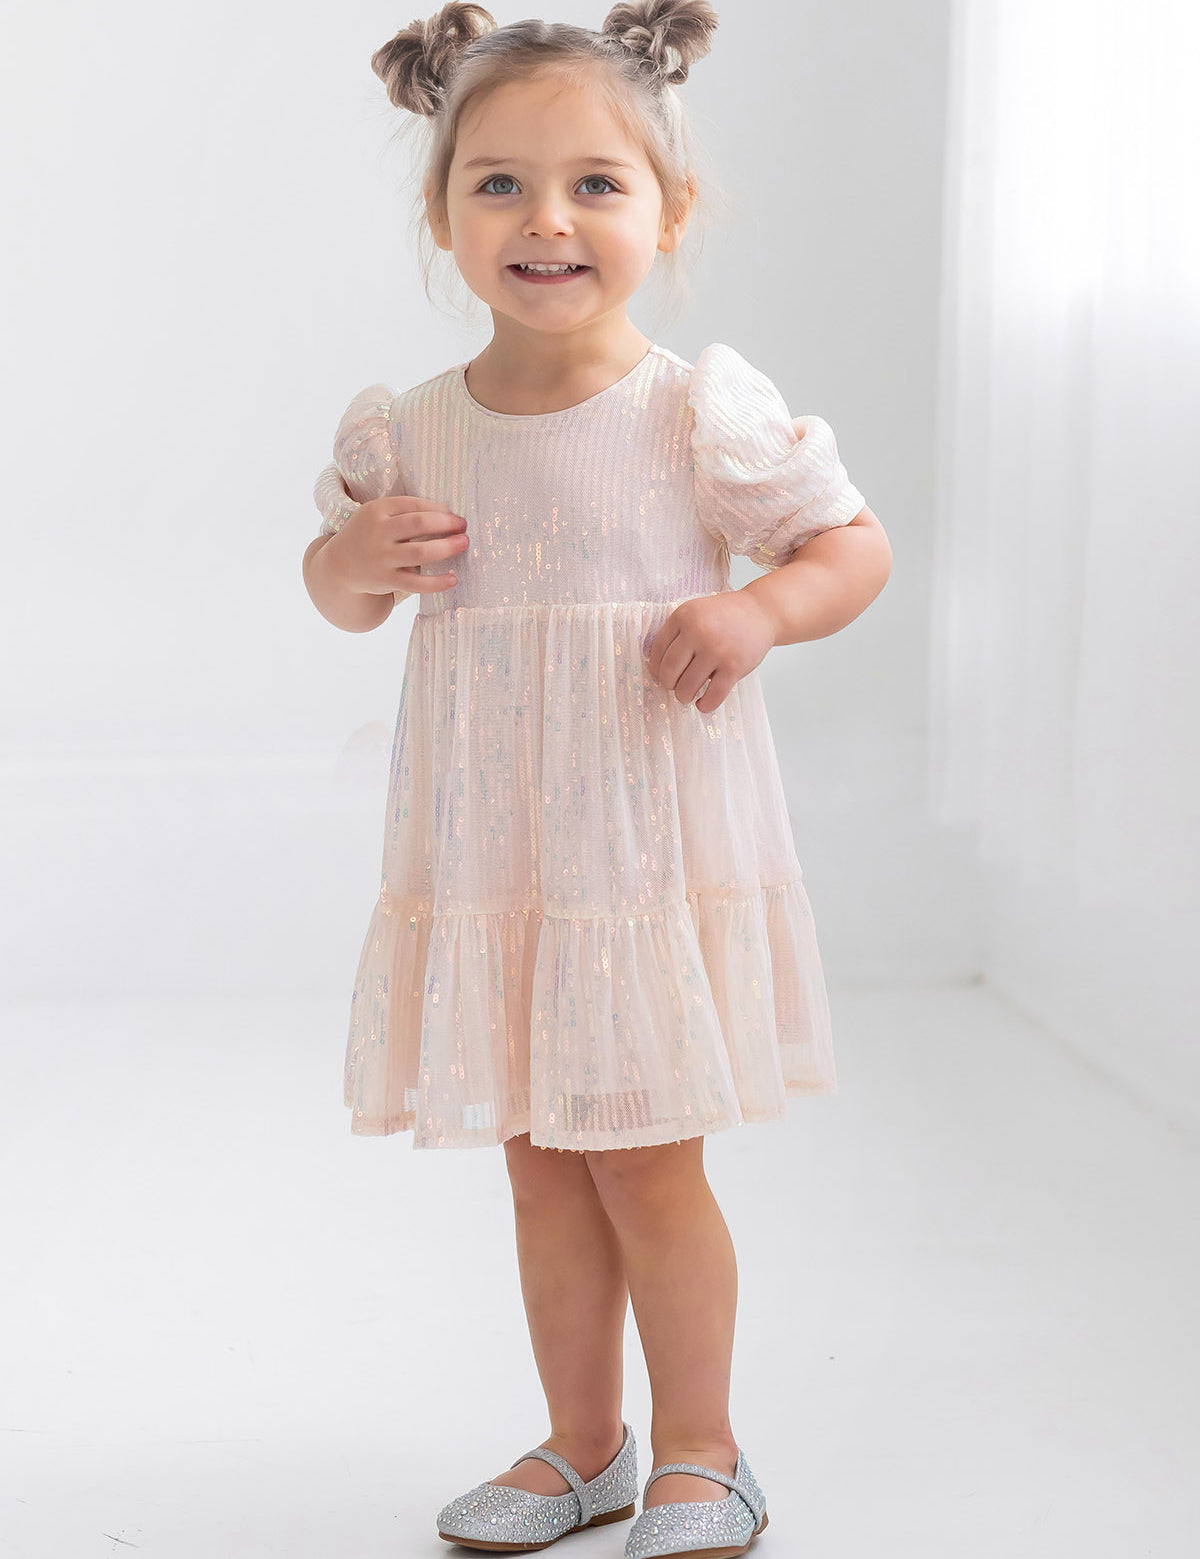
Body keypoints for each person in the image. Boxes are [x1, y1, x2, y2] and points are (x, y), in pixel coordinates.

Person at [302, 3, 893, 1554]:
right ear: (441, 213)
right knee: (541, 1169)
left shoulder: (691, 413)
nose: (545, 220)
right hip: (503, 871)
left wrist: (760, 611)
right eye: (497, 184)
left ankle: (705, 1448)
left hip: (635, 868)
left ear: (670, 211)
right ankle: (584, 1446)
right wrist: (353, 559)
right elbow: (338, 596)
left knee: (641, 1160)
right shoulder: (413, 431)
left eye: (595, 185)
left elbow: (850, 546)